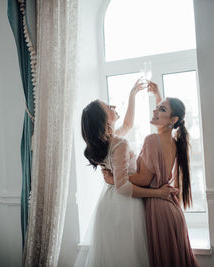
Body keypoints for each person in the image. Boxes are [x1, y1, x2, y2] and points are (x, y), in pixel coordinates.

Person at [79, 80, 176, 267]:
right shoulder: (119, 143)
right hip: (125, 206)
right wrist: (158, 193)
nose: (113, 106)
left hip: (108, 204)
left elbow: (128, 123)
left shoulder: (105, 143)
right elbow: (123, 187)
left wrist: (132, 94)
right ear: (103, 119)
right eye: (108, 107)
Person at [104, 81, 199, 267]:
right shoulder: (173, 141)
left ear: (173, 120)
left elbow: (144, 179)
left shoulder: (152, 140)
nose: (155, 111)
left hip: (158, 211)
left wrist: (114, 178)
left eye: (161, 109)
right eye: (156, 107)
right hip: (171, 211)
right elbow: (165, 124)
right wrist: (159, 97)